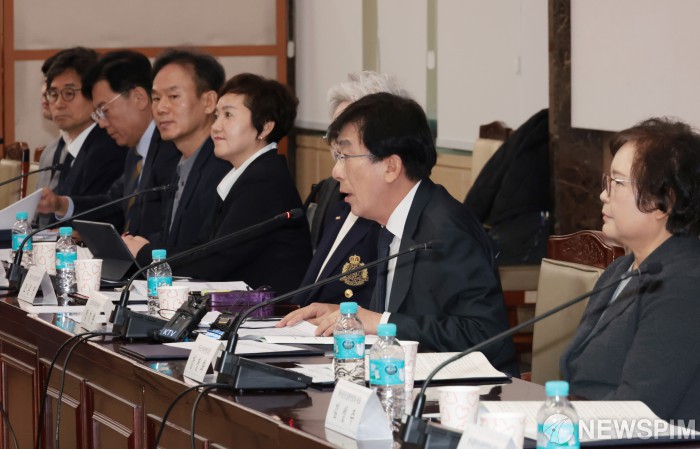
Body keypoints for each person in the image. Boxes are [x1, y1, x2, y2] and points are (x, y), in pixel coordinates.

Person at [279, 93, 517, 374]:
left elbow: (484, 335)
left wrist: (380, 322)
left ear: (391, 167)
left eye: (345, 156)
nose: (336, 172)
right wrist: (344, 315)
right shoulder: (390, 220)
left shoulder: (446, 230)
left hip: (470, 390)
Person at [561, 118, 700, 422]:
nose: (604, 194)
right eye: (607, 181)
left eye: (617, 183)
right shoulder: (621, 270)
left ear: (664, 202)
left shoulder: (684, 286)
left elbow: (640, 408)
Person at [163, 73, 311, 292]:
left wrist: (149, 257)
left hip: (271, 309)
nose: (216, 126)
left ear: (265, 127)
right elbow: (203, 247)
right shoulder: (248, 174)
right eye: (216, 116)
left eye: (228, 115)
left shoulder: (264, 182)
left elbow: (214, 262)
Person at [293, 71, 409, 308]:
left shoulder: (391, 214)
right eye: (334, 132)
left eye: (347, 133)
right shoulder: (339, 200)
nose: (337, 143)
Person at [37, 50, 180, 238]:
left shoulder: (172, 149)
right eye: (98, 114)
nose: (102, 123)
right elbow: (112, 203)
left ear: (139, 98)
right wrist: (61, 205)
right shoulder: (135, 153)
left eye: (104, 110)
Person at [122, 49, 230, 267]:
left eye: (173, 96)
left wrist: (144, 252)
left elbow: (208, 256)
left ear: (209, 102)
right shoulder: (177, 165)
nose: (161, 108)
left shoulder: (222, 166)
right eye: (156, 98)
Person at [42, 47, 128, 202]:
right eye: (53, 94)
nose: (59, 104)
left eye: (69, 93)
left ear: (94, 94)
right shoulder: (73, 149)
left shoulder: (107, 150)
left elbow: (94, 214)